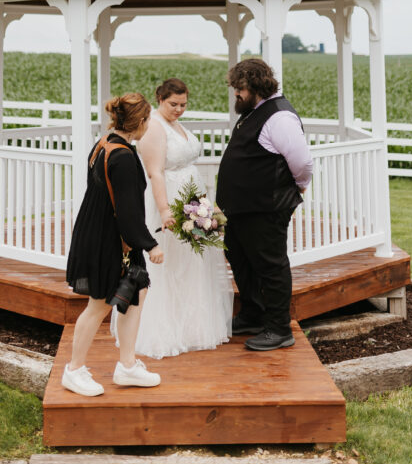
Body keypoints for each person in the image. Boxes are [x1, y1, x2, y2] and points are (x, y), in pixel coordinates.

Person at [116, 77, 232, 359]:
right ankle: (162, 331)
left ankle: (191, 326)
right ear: (160, 99)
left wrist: (203, 205)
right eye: (173, 104)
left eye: (183, 104)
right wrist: (165, 209)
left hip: (191, 200)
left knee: (191, 263)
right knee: (168, 266)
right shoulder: (154, 126)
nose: (179, 109)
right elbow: (155, 171)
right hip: (167, 200)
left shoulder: (175, 124)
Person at [63, 92, 164, 396]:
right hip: (110, 240)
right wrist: (150, 245)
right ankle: (74, 370)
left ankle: (127, 366)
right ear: (142, 122)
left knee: (137, 292)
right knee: (97, 305)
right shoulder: (122, 157)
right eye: (149, 120)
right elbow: (128, 213)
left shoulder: (105, 143)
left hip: (101, 232)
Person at [216, 58, 313, 352]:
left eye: (240, 88)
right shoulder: (255, 111)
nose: (236, 94)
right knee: (240, 258)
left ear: (255, 85)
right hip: (245, 209)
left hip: (266, 207)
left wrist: (299, 186)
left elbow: (302, 162)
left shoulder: (280, 117)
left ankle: (278, 328)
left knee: (270, 266)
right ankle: (253, 314)